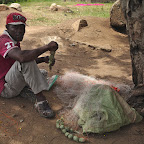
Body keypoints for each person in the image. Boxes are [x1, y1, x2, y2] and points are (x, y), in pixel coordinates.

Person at [0, 12, 58, 118]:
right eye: (15, 28)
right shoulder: (3, 41)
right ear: (7, 27)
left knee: (42, 72)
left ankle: (32, 86)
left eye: (22, 28)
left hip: (9, 78)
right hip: (5, 88)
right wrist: (47, 47)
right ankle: (41, 101)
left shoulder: (13, 41)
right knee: (26, 60)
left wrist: (43, 59)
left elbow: (19, 64)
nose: (20, 31)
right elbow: (23, 59)